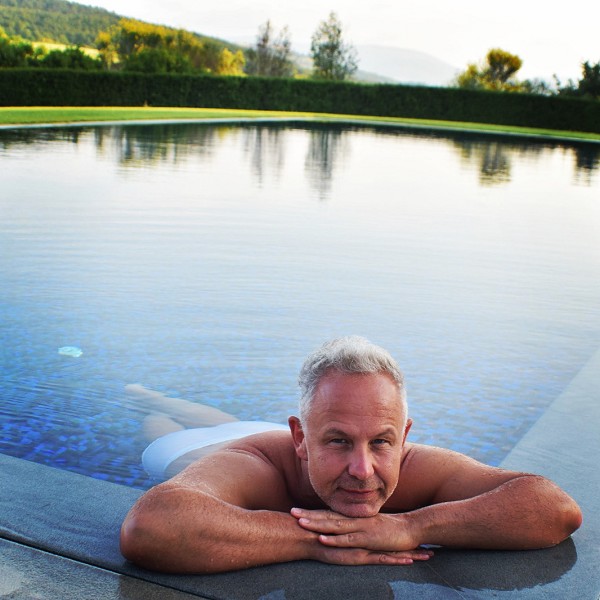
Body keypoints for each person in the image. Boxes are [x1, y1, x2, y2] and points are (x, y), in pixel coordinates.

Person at [120, 336, 582, 574]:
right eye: (339, 442)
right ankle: (146, 402)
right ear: (301, 439)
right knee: (162, 428)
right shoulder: (253, 468)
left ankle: (154, 395)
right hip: (191, 451)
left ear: (403, 437)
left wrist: (409, 527)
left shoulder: (414, 464)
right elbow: (151, 527)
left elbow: (555, 508)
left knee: (220, 417)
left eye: (381, 441)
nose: (363, 472)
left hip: (272, 429)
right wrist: (323, 541)